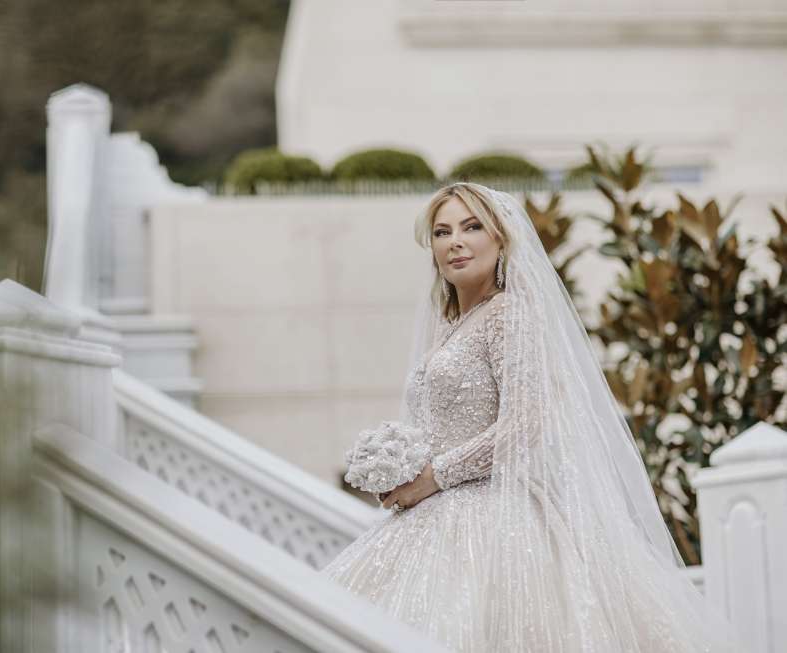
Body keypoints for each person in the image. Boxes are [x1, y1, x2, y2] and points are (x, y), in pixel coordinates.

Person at [318, 182, 745, 651]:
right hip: (434, 517)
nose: (455, 241)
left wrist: (432, 476)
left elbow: (526, 423)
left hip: (499, 522)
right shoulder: (453, 326)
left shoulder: (509, 313)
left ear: (501, 239)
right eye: (442, 232)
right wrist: (398, 466)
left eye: (472, 226)